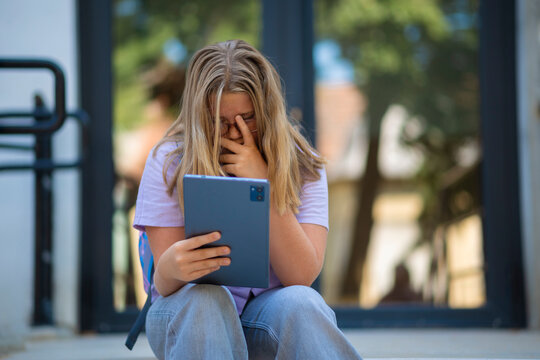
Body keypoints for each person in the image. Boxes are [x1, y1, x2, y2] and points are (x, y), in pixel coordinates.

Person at [133, 39, 362, 360]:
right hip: (185, 316)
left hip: (265, 316)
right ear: (200, 116)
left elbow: (301, 276)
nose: (235, 132)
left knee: (303, 303)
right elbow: (167, 285)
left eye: (247, 118)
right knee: (206, 301)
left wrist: (263, 185)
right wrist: (171, 267)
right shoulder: (169, 161)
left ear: (268, 112)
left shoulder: (304, 165)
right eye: (220, 121)